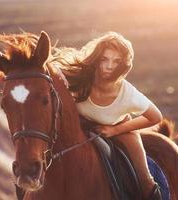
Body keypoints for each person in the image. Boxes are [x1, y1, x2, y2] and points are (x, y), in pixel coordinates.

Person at [52, 31, 163, 200]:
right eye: (104, 59)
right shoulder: (79, 76)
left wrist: (115, 130)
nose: (109, 66)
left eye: (116, 61)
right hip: (81, 127)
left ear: (123, 65)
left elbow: (156, 117)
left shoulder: (127, 93)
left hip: (121, 129)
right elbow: (47, 73)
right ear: (97, 59)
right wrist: (56, 74)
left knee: (145, 180)